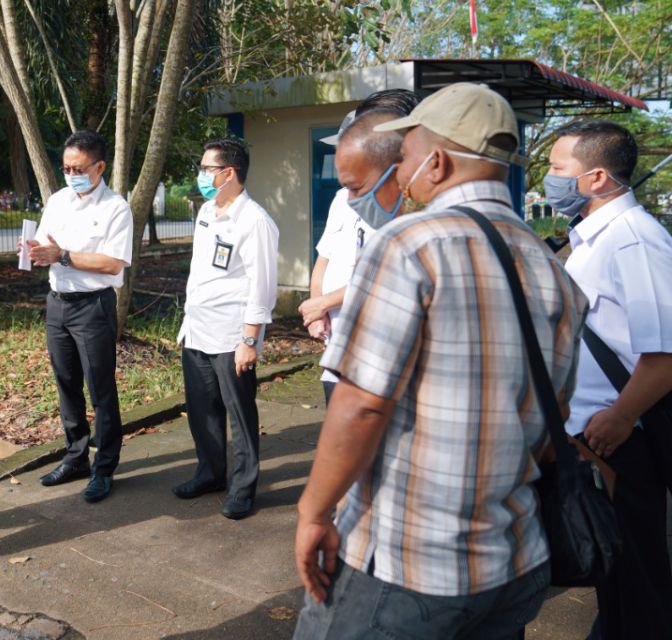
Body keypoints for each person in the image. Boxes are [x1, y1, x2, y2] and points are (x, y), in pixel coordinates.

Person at [293, 83, 587, 639]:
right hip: (514, 560)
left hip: (409, 562)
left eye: (403, 157)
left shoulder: (410, 244)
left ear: (438, 160)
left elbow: (361, 406)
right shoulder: (557, 275)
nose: (399, 172)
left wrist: (314, 512)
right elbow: (553, 429)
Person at [544, 119, 672, 640]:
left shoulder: (634, 241)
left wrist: (620, 417)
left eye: (556, 169)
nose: (548, 180)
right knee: (613, 573)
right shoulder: (592, 238)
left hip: (625, 437)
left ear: (596, 177)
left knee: (639, 581)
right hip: (596, 435)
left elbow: (663, 354)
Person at [175, 138, 279, 520]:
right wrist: (188, 324)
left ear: (228, 173)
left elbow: (262, 286)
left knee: (239, 413)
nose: (201, 175)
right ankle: (210, 473)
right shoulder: (207, 211)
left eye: (207, 169)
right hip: (198, 330)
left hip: (231, 336)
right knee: (202, 410)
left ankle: (243, 487)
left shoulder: (255, 221)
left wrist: (249, 340)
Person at [27, 129, 133, 503]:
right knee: (66, 383)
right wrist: (37, 253)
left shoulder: (115, 208)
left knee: (100, 389)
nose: (71, 173)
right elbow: (45, 246)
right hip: (58, 303)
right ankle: (75, 456)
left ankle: (104, 466)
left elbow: (112, 263)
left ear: (100, 166)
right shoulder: (57, 201)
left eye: (79, 167)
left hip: (92, 306)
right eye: (66, 167)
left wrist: (63, 255)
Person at [300, 90, 418, 402]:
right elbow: (323, 259)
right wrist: (317, 310)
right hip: (338, 347)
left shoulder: (408, 211)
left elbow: (385, 277)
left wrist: (323, 304)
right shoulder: (344, 199)